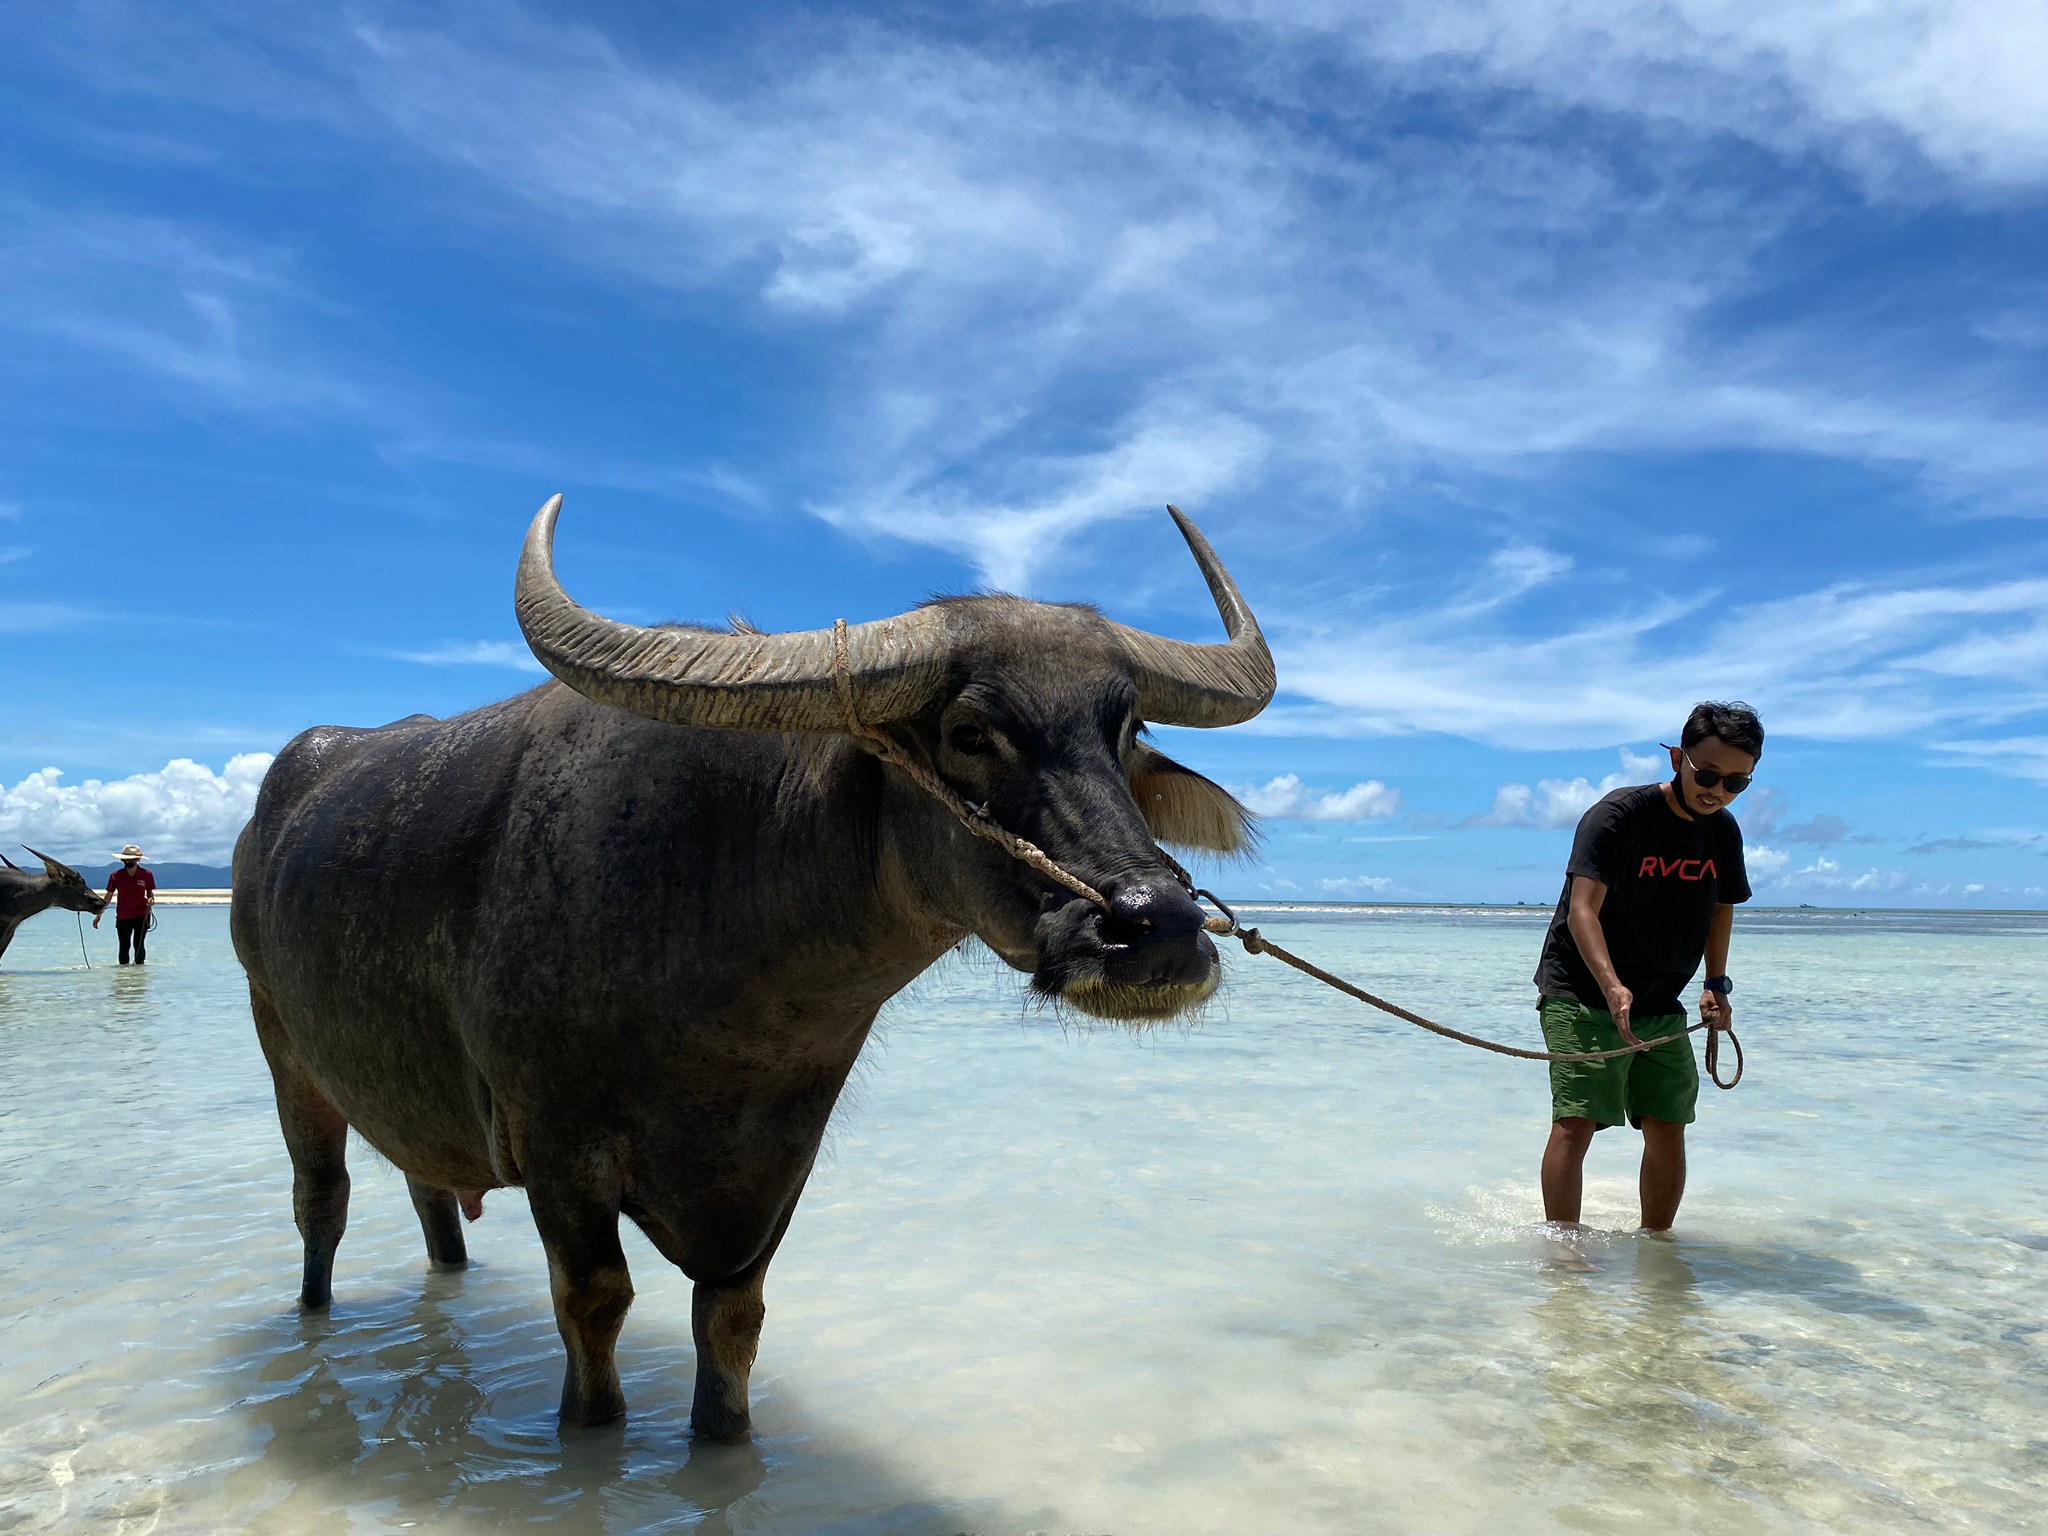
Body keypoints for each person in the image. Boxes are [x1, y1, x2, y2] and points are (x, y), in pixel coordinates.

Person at [1533, 701, 1760, 1234]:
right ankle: (1563, 1253)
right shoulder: (1617, 816)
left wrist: (1716, 984)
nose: (1717, 791)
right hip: (1582, 992)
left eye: (1735, 783)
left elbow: (1721, 906)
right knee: (1576, 1122)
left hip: (1661, 999)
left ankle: (1657, 1248)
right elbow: (1582, 909)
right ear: (1679, 759)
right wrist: (1612, 986)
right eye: (1707, 775)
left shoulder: (1722, 832)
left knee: (1668, 1124)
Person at [93, 843, 157, 965]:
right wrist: (99, 915)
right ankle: (123, 974)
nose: (128, 862)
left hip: (142, 915)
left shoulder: (147, 874)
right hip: (123, 916)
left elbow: (150, 894)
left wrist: (151, 900)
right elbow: (108, 896)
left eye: (131, 860)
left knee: (138, 945)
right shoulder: (116, 875)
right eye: (126, 860)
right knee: (124, 946)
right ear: (122, 860)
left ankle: (139, 973)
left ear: (137, 860)